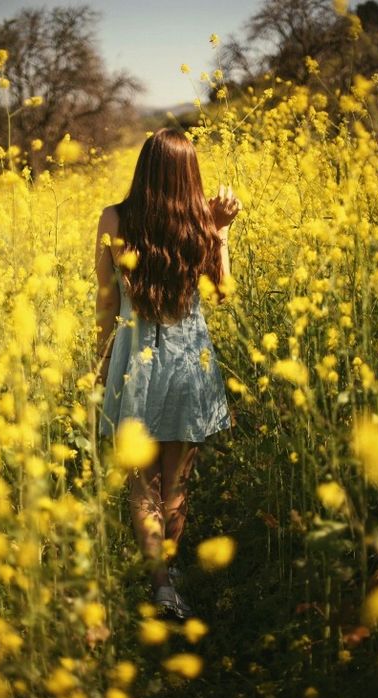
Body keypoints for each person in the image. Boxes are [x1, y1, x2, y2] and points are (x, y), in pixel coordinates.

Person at [94, 127, 241, 619]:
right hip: (186, 362)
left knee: (143, 484)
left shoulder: (114, 218)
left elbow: (107, 300)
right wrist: (219, 233)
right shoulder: (201, 221)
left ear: (144, 168)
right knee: (175, 483)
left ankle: (160, 585)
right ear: (188, 175)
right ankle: (171, 578)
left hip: (134, 363)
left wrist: (98, 366)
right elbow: (222, 293)